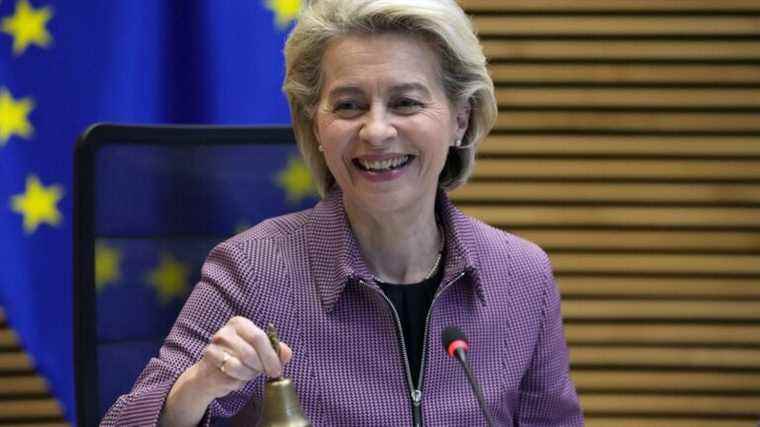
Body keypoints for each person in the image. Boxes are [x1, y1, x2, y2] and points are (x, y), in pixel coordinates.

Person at [101, 0, 583, 425]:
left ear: (460, 119)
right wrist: (196, 390)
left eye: (406, 102)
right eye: (349, 105)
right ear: (316, 126)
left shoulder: (522, 277)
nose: (376, 131)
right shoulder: (254, 270)